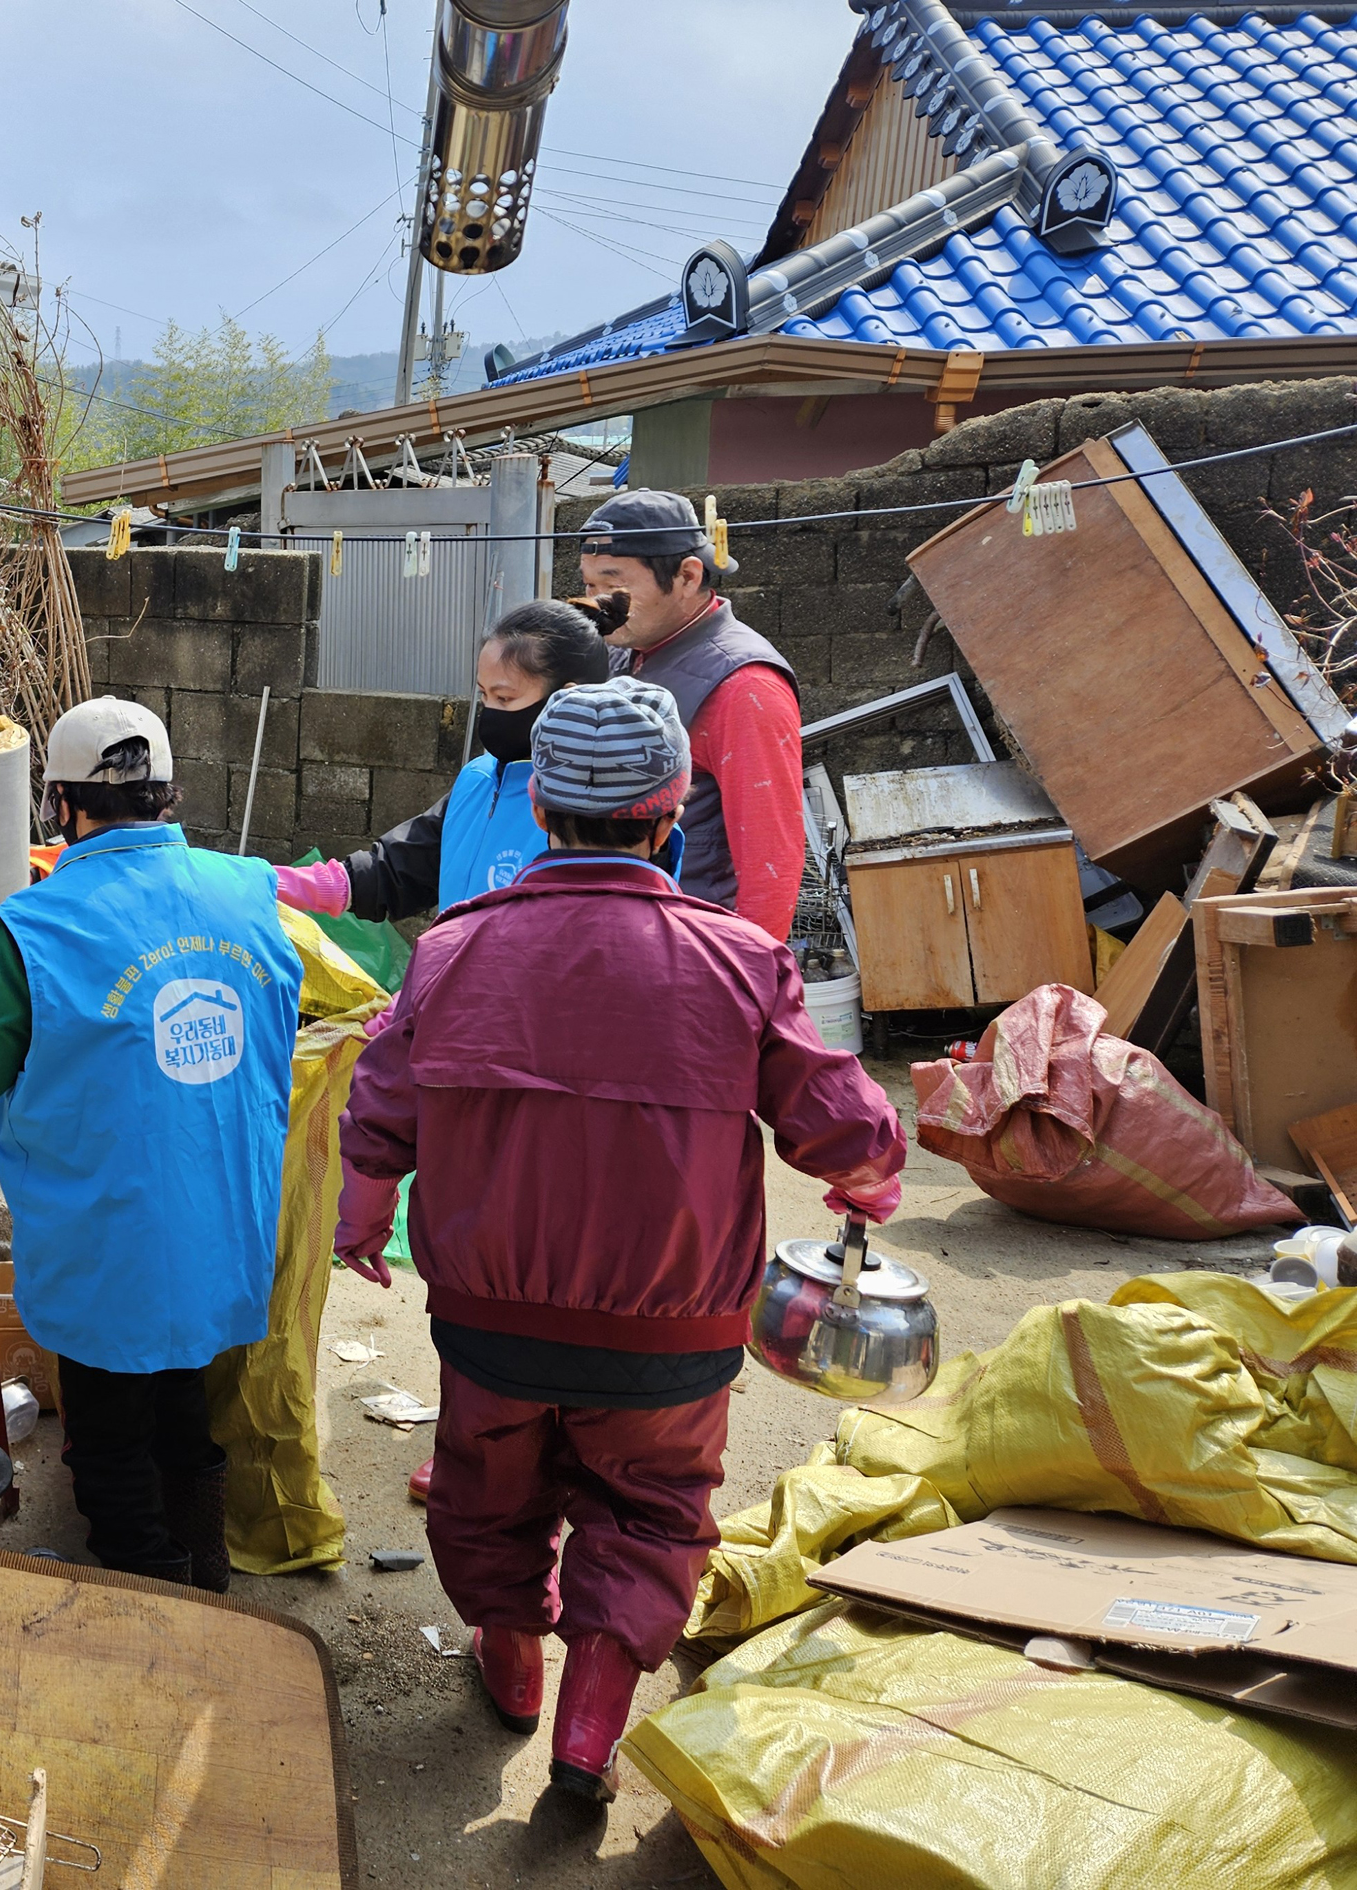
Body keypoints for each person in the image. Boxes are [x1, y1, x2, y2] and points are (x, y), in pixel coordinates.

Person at [332, 678, 904, 1803]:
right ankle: (590, 1725)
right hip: (674, 1330)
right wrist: (867, 1179)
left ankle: (510, 1659)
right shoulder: (739, 959)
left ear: (538, 805)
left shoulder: (452, 951)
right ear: (674, 808)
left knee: (483, 1493)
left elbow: (380, 1106)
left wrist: (363, 1213)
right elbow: (845, 1127)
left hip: (491, 1323)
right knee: (651, 1511)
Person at [0, 699, 303, 1591]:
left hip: (114, 1228)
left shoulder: (37, 924)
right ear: (169, 793)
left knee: (105, 1418)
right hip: (223, 1209)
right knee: (181, 1387)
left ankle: (144, 1585)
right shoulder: (248, 886)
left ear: (60, 804)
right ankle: (204, 1563)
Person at [274, 599, 614, 923]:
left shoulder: (593, 812)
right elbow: (400, 867)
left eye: (505, 698)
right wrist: (277, 884)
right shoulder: (477, 779)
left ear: (568, 700)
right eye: (484, 695)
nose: (490, 711)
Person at [571, 489, 805, 941]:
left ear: (687, 575)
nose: (598, 602)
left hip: (696, 945)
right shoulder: (623, 651)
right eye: (589, 585)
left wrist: (754, 981)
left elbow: (770, 860)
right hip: (615, 931)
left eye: (614, 583)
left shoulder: (745, 685)